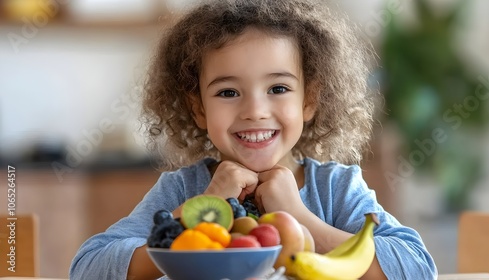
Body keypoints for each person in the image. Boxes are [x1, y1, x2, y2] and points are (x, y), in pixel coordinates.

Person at [70, 0, 438, 279]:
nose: (255, 110)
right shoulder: (184, 189)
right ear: (198, 109)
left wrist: (299, 217)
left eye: (278, 88)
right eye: (228, 93)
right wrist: (202, 210)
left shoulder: (336, 188)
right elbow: (88, 267)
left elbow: (417, 267)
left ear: (309, 100)